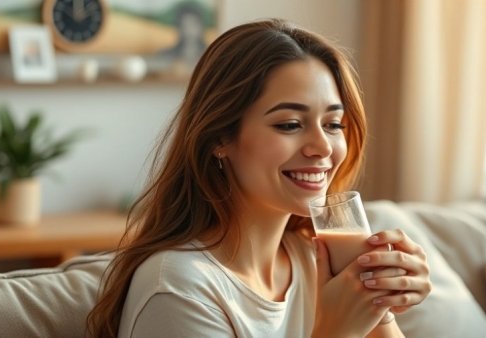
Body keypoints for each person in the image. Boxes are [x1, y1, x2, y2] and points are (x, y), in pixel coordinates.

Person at [87, 18, 431, 338]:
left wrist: (378, 305)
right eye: (289, 124)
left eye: (333, 124)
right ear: (220, 138)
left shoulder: (317, 260)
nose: (322, 146)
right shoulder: (179, 290)